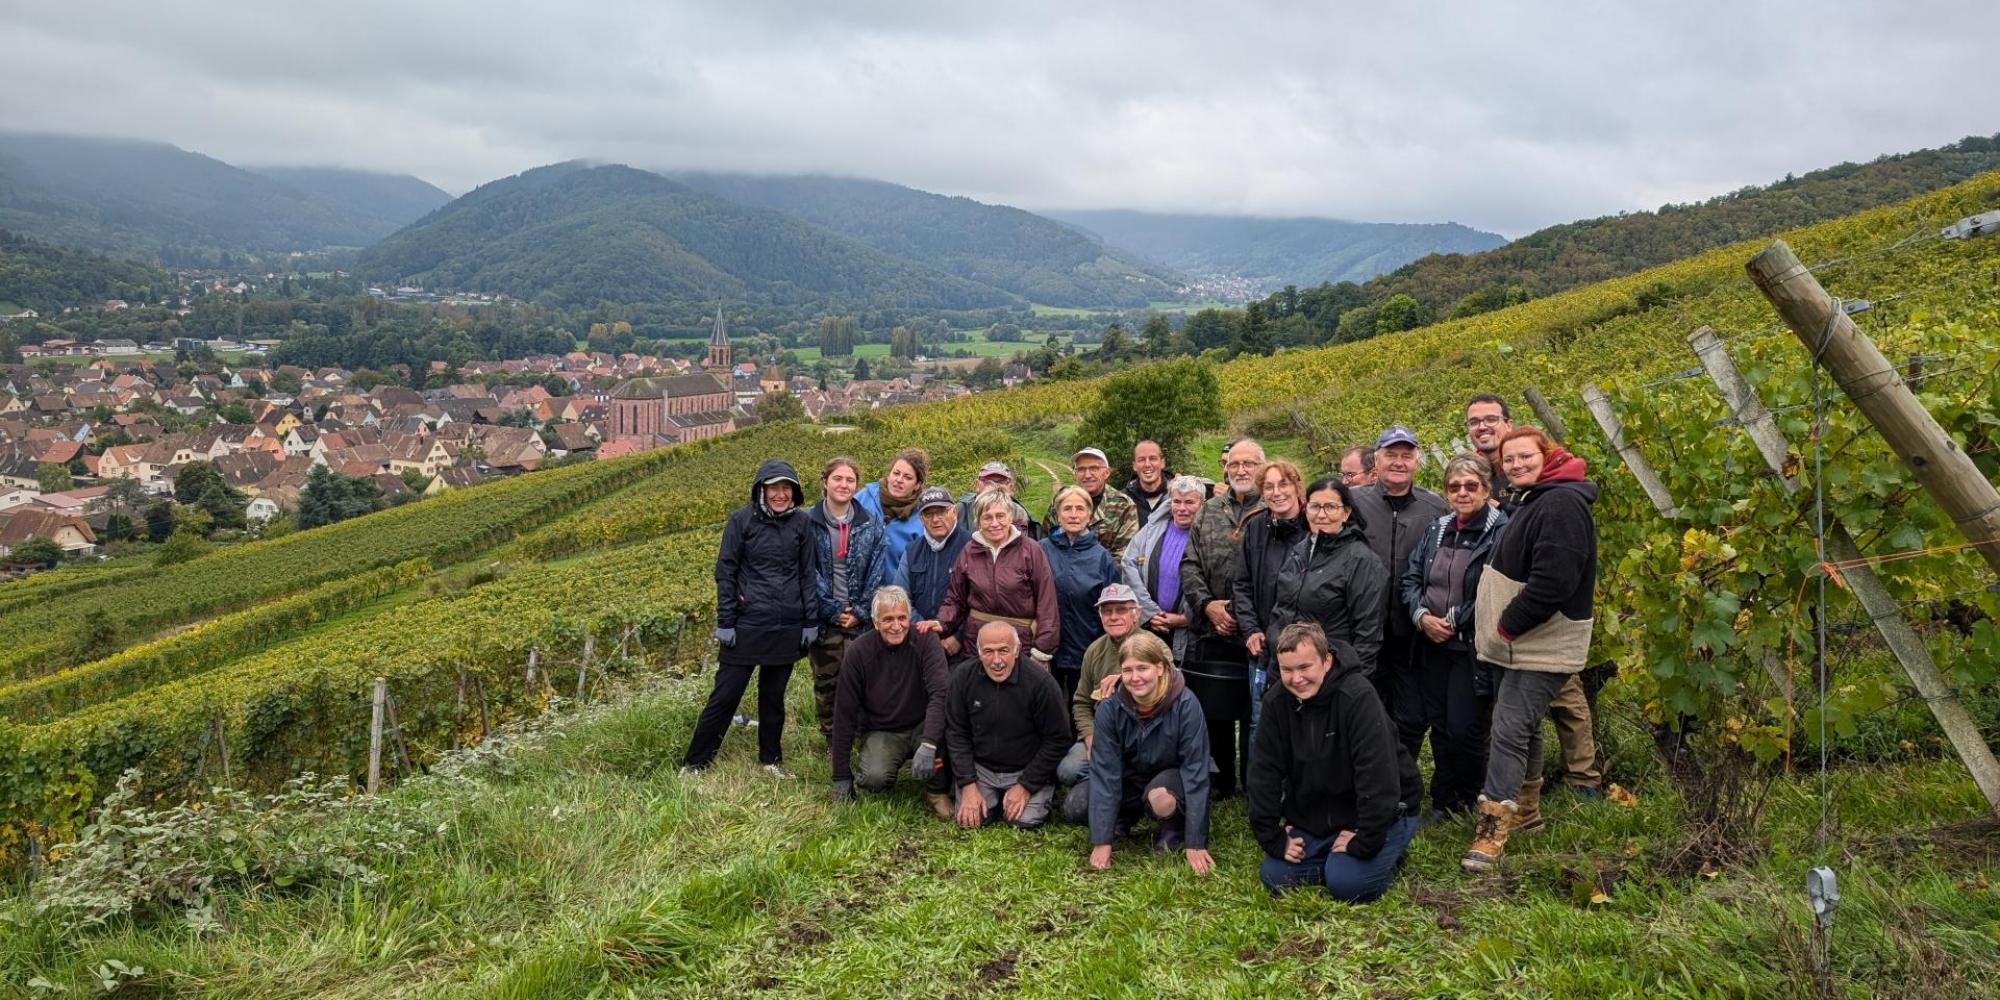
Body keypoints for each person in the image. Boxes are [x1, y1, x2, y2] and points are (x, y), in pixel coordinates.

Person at [1464, 427, 1600, 873]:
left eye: (1526, 456)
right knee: (1523, 727)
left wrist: (1507, 624)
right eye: (1509, 459)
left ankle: (1492, 829)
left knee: (1508, 727)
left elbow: (1554, 583)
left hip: (1537, 641)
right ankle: (1526, 815)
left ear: (1547, 455)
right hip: (1521, 644)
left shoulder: (1560, 504)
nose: (1517, 464)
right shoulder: (1539, 497)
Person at [1249, 623, 1418, 902]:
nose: (1296, 678)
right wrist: (1272, 837)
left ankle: (1384, 849)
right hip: (1316, 815)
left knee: (1348, 887)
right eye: (1287, 670)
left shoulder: (1357, 696)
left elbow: (1378, 776)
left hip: (1381, 812)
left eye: (1305, 667)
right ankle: (1336, 860)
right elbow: (1263, 773)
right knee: (1275, 877)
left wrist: (1365, 839)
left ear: (1326, 661)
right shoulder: (1276, 703)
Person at [682, 459, 818, 777]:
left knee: (773, 699)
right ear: (762, 489)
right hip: (747, 624)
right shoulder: (741, 522)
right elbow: (725, 573)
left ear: (794, 492)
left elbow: (807, 574)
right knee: (725, 696)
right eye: (774, 488)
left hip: (786, 624)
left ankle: (770, 760)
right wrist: (726, 621)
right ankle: (696, 762)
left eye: (786, 488)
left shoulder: (802, 525)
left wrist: (810, 620)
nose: (780, 494)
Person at [1399, 454, 1508, 819]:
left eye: (1471, 486)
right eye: (1454, 486)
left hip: (1470, 647)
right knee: (1441, 726)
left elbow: (1494, 591)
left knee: (1466, 728)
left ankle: (1472, 794)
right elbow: (1412, 578)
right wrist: (1421, 616)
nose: (1462, 492)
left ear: (1486, 489)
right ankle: (1444, 801)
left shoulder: (1500, 532)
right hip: (1432, 644)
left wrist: (1451, 620)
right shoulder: (1438, 528)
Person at [1066, 631, 1214, 874]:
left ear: (1160, 668)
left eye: (1142, 668)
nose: (1135, 678)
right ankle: (1122, 819)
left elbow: (1196, 771)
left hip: (1172, 777)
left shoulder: (1186, 704)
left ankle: (1174, 827)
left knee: (1161, 799)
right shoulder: (1109, 708)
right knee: (1076, 806)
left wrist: (1196, 842)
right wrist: (1102, 841)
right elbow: (1105, 771)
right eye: (1128, 670)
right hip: (1132, 777)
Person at [1348, 426, 1449, 753]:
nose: (1399, 462)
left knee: (1410, 716)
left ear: (1416, 461)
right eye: (1391, 454)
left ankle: (1402, 787)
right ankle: (1366, 782)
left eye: (1406, 455)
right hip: (1363, 630)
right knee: (1363, 712)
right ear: (1376, 460)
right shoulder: (1353, 503)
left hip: (1413, 632)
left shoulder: (1435, 509)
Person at [828, 586, 954, 819]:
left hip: (922, 723)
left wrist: (928, 744)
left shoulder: (927, 641)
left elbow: (940, 694)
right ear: (875, 622)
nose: (896, 626)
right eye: (888, 619)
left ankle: (936, 791)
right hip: (882, 729)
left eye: (902, 618)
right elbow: (844, 713)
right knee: (874, 778)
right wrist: (841, 777)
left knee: (945, 733)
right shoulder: (858, 652)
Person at [945, 621, 1072, 830]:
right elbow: (957, 732)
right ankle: (987, 797)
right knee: (972, 821)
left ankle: (1037, 794)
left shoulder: (1042, 683)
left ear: (1017, 650)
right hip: (982, 767)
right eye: (988, 652)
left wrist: (1026, 785)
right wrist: (968, 785)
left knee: (1021, 821)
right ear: (978, 653)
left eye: (1003, 651)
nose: (996, 661)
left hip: (1025, 767)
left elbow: (1058, 740)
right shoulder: (962, 676)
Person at [805, 457, 890, 740]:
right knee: (827, 682)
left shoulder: (870, 522)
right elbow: (805, 569)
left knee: (863, 681)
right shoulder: (807, 522)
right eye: (837, 479)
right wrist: (832, 608)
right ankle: (832, 738)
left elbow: (878, 567)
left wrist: (863, 610)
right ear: (825, 483)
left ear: (856, 485)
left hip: (860, 620)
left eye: (850, 480)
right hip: (824, 619)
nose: (843, 484)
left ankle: (862, 737)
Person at [926, 487, 1058, 665]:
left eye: (1000, 516)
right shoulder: (969, 551)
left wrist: (1042, 650)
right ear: (978, 521)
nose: (994, 523)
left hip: (1020, 643)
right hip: (977, 642)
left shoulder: (1031, 551)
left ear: (1010, 517)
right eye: (987, 517)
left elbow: (1047, 603)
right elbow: (956, 598)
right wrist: (942, 622)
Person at [1268, 477, 1385, 675]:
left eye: (1330, 507)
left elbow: (1368, 634)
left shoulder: (1361, 559)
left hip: (1331, 673)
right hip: (1287, 669)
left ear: (1346, 513)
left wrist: (1354, 684)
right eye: (1314, 507)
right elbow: (1280, 611)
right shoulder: (1300, 550)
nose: (1321, 515)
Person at [1233, 459, 1307, 727]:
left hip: (1305, 647)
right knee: (1261, 721)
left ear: (1297, 486)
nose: (1277, 493)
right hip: (1263, 645)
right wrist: (1250, 629)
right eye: (1269, 487)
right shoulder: (1256, 528)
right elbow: (1241, 583)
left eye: (1283, 484)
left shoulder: (1315, 526)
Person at [1058, 583, 1145, 786]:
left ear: (1136, 614)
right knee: (1067, 772)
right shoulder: (1094, 651)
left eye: (1121, 610)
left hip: (1142, 734)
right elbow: (1080, 703)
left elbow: (1170, 683)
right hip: (1102, 732)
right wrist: (1089, 736)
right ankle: (1112, 778)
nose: (1113, 617)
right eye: (1107, 611)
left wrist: (1124, 679)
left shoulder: (1153, 647)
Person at [1180, 437, 1264, 645]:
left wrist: (1242, 615)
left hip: (1258, 634)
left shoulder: (1273, 510)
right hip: (1209, 631)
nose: (1240, 470)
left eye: (1248, 464)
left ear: (1262, 467)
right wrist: (1208, 606)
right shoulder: (1209, 509)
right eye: (1233, 464)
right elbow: (1189, 564)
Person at [1041, 484, 1119, 701]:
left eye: (1079, 509)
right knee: (1048, 708)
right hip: (1046, 650)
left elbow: (1112, 607)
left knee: (1081, 708)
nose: (1073, 515)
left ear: (1089, 514)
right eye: (1067, 509)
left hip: (1087, 648)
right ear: (1057, 514)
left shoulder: (1102, 557)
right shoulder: (1041, 550)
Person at [1122, 475, 1204, 657]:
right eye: (1177, 501)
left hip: (1189, 636)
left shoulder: (1208, 536)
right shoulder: (1152, 528)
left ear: (1202, 504)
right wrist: (1150, 613)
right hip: (1148, 626)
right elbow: (1129, 564)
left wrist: (1186, 619)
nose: (1182, 508)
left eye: (1189, 502)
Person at [892, 486, 970, 623]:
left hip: (960, 639)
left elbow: (980, 601)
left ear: (954, 512)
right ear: (921, 519)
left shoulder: (971, 546)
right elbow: (899, 597)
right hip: (919, 635)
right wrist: (923, 629)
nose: (935, 519)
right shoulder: (912, 551)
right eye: (928, 514)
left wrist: (957, 637)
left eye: (941, 512)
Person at [1043, 447, 1138, 558]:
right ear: (1075, 473)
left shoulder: (1123, 506)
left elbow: (1124, 556)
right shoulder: (1061, 499)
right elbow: (1045, 538)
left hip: (1103, 573)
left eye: (1094, 468)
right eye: (1081, 469)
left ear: (1106, 473)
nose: (1087, 475)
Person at [856, 447, 930, 569]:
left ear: (917, 485)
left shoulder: (922, 516)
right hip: (857, 585)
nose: (899, 480)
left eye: (908, 477)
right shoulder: (864, 498)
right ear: (888, 475)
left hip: (896, 587)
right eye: (896, 473)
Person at [958, 461, 1036, 540]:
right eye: (988, 482)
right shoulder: (960, 510)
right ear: (977, 485)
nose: (994, 486)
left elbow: (1020, 546)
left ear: (1011, 488)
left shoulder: (1019, 512)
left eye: (1001, 482)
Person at [1122, 439, 1173, 523]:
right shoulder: (1123, 501)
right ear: (1134, 466)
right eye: (1141, 460)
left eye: (1153, 459)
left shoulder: (1178, 496)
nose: (1147, 464)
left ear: (1162, 463)